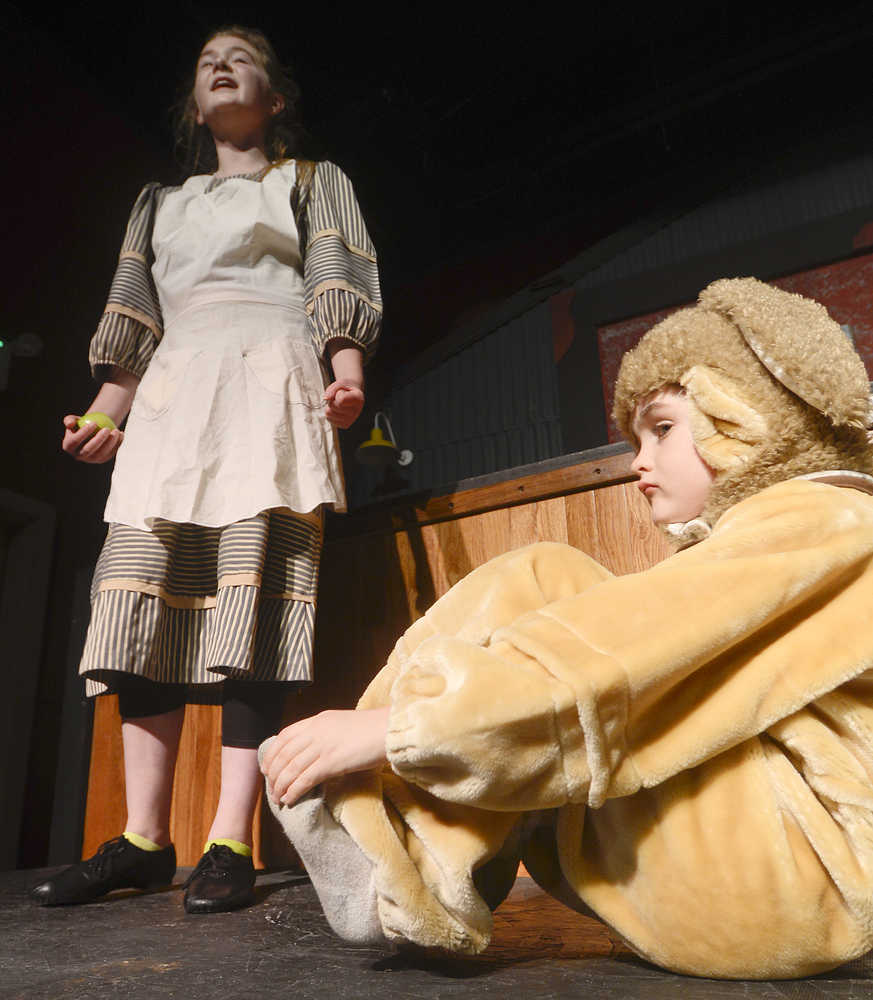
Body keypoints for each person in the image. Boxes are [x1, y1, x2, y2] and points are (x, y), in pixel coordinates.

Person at [260, 277, 873, 979]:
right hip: (781, 879)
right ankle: (422, 865)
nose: (638, 462)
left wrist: (393, 731)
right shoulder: (805, 534)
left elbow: (611, 659)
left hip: (797, 870)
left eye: (663, 427)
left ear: (745, 416)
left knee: (545, 580)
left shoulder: (828, 518)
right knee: (571, 670)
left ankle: (388, 847)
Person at [31, 26, 380, 914]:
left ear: (275, 97)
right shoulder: (160, 204)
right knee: (139, 599)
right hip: (172, 403)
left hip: (267, 384)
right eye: (205, 61)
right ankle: (144, 840)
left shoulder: (307, 181)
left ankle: (231, 837)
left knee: (249, 600)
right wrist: (104, 420)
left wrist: (346, 377)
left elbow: (334, 271)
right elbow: (133, 321)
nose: (221, 66)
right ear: (195, 105)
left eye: (242, 57)